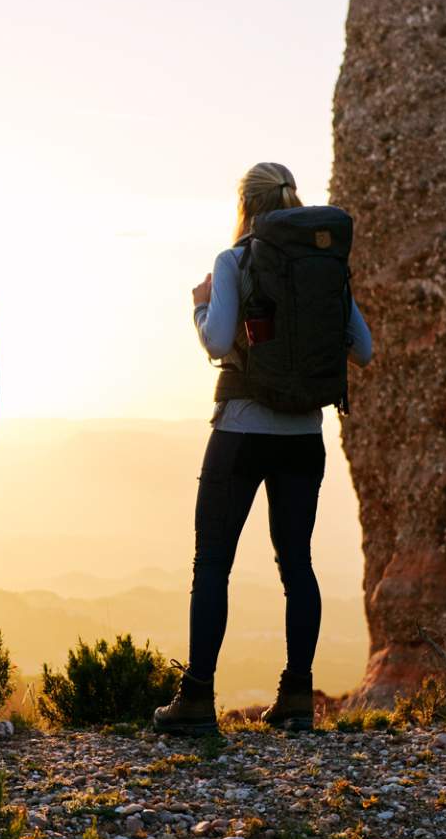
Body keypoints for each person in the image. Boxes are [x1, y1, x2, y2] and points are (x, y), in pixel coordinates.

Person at [153, 162, 373, 735]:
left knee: (213, 565)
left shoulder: (236, 260)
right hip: (304, 437)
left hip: (242, 433)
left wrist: (199, 305)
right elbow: (365, 350)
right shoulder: (324, 267)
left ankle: (197, 699)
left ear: (244, 206)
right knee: (297, 564)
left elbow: (218, 338)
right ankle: (297, 698)